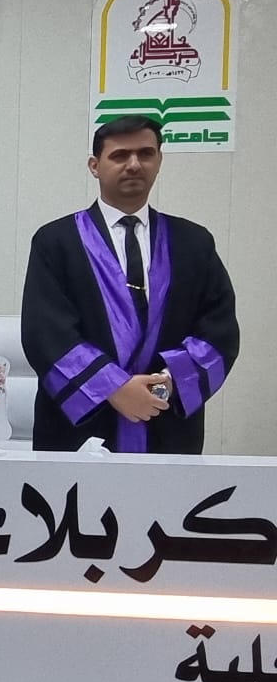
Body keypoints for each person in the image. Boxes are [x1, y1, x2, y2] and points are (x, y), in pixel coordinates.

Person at [21, 116, 239, 453]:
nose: (134, 164)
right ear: (95, 166)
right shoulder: (56, 242)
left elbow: (218, 329)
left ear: (159, 160)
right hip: (80, 429)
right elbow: (45, 333)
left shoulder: (193, 243)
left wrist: (165, 385)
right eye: (120, 155)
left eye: (145, 154)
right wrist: (113, 388)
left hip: (167, 420)